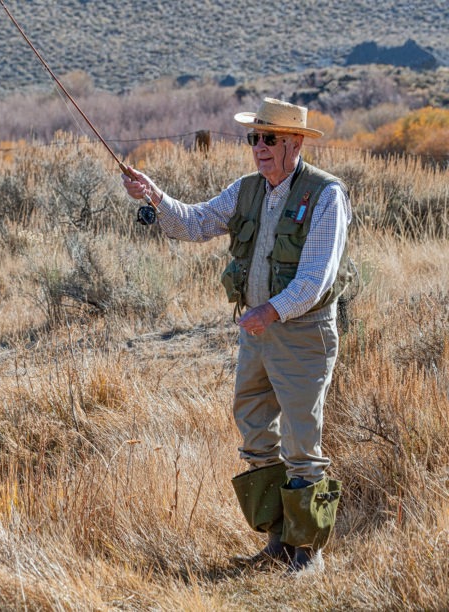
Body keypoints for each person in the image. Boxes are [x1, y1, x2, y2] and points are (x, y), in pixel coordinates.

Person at [121, 97, 351, 573]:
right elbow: (195, 222)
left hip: (303, 333)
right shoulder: (246, 190)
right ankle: (278, 543)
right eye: (254, 138)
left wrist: (270, 310)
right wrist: (153, 195)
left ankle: (309, 555)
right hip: (257, 332)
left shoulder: (326, 195)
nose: (259, 148)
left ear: (294, 144)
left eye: (269, 139)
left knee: (302, 443)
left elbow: (316, 279)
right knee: (254, 434)